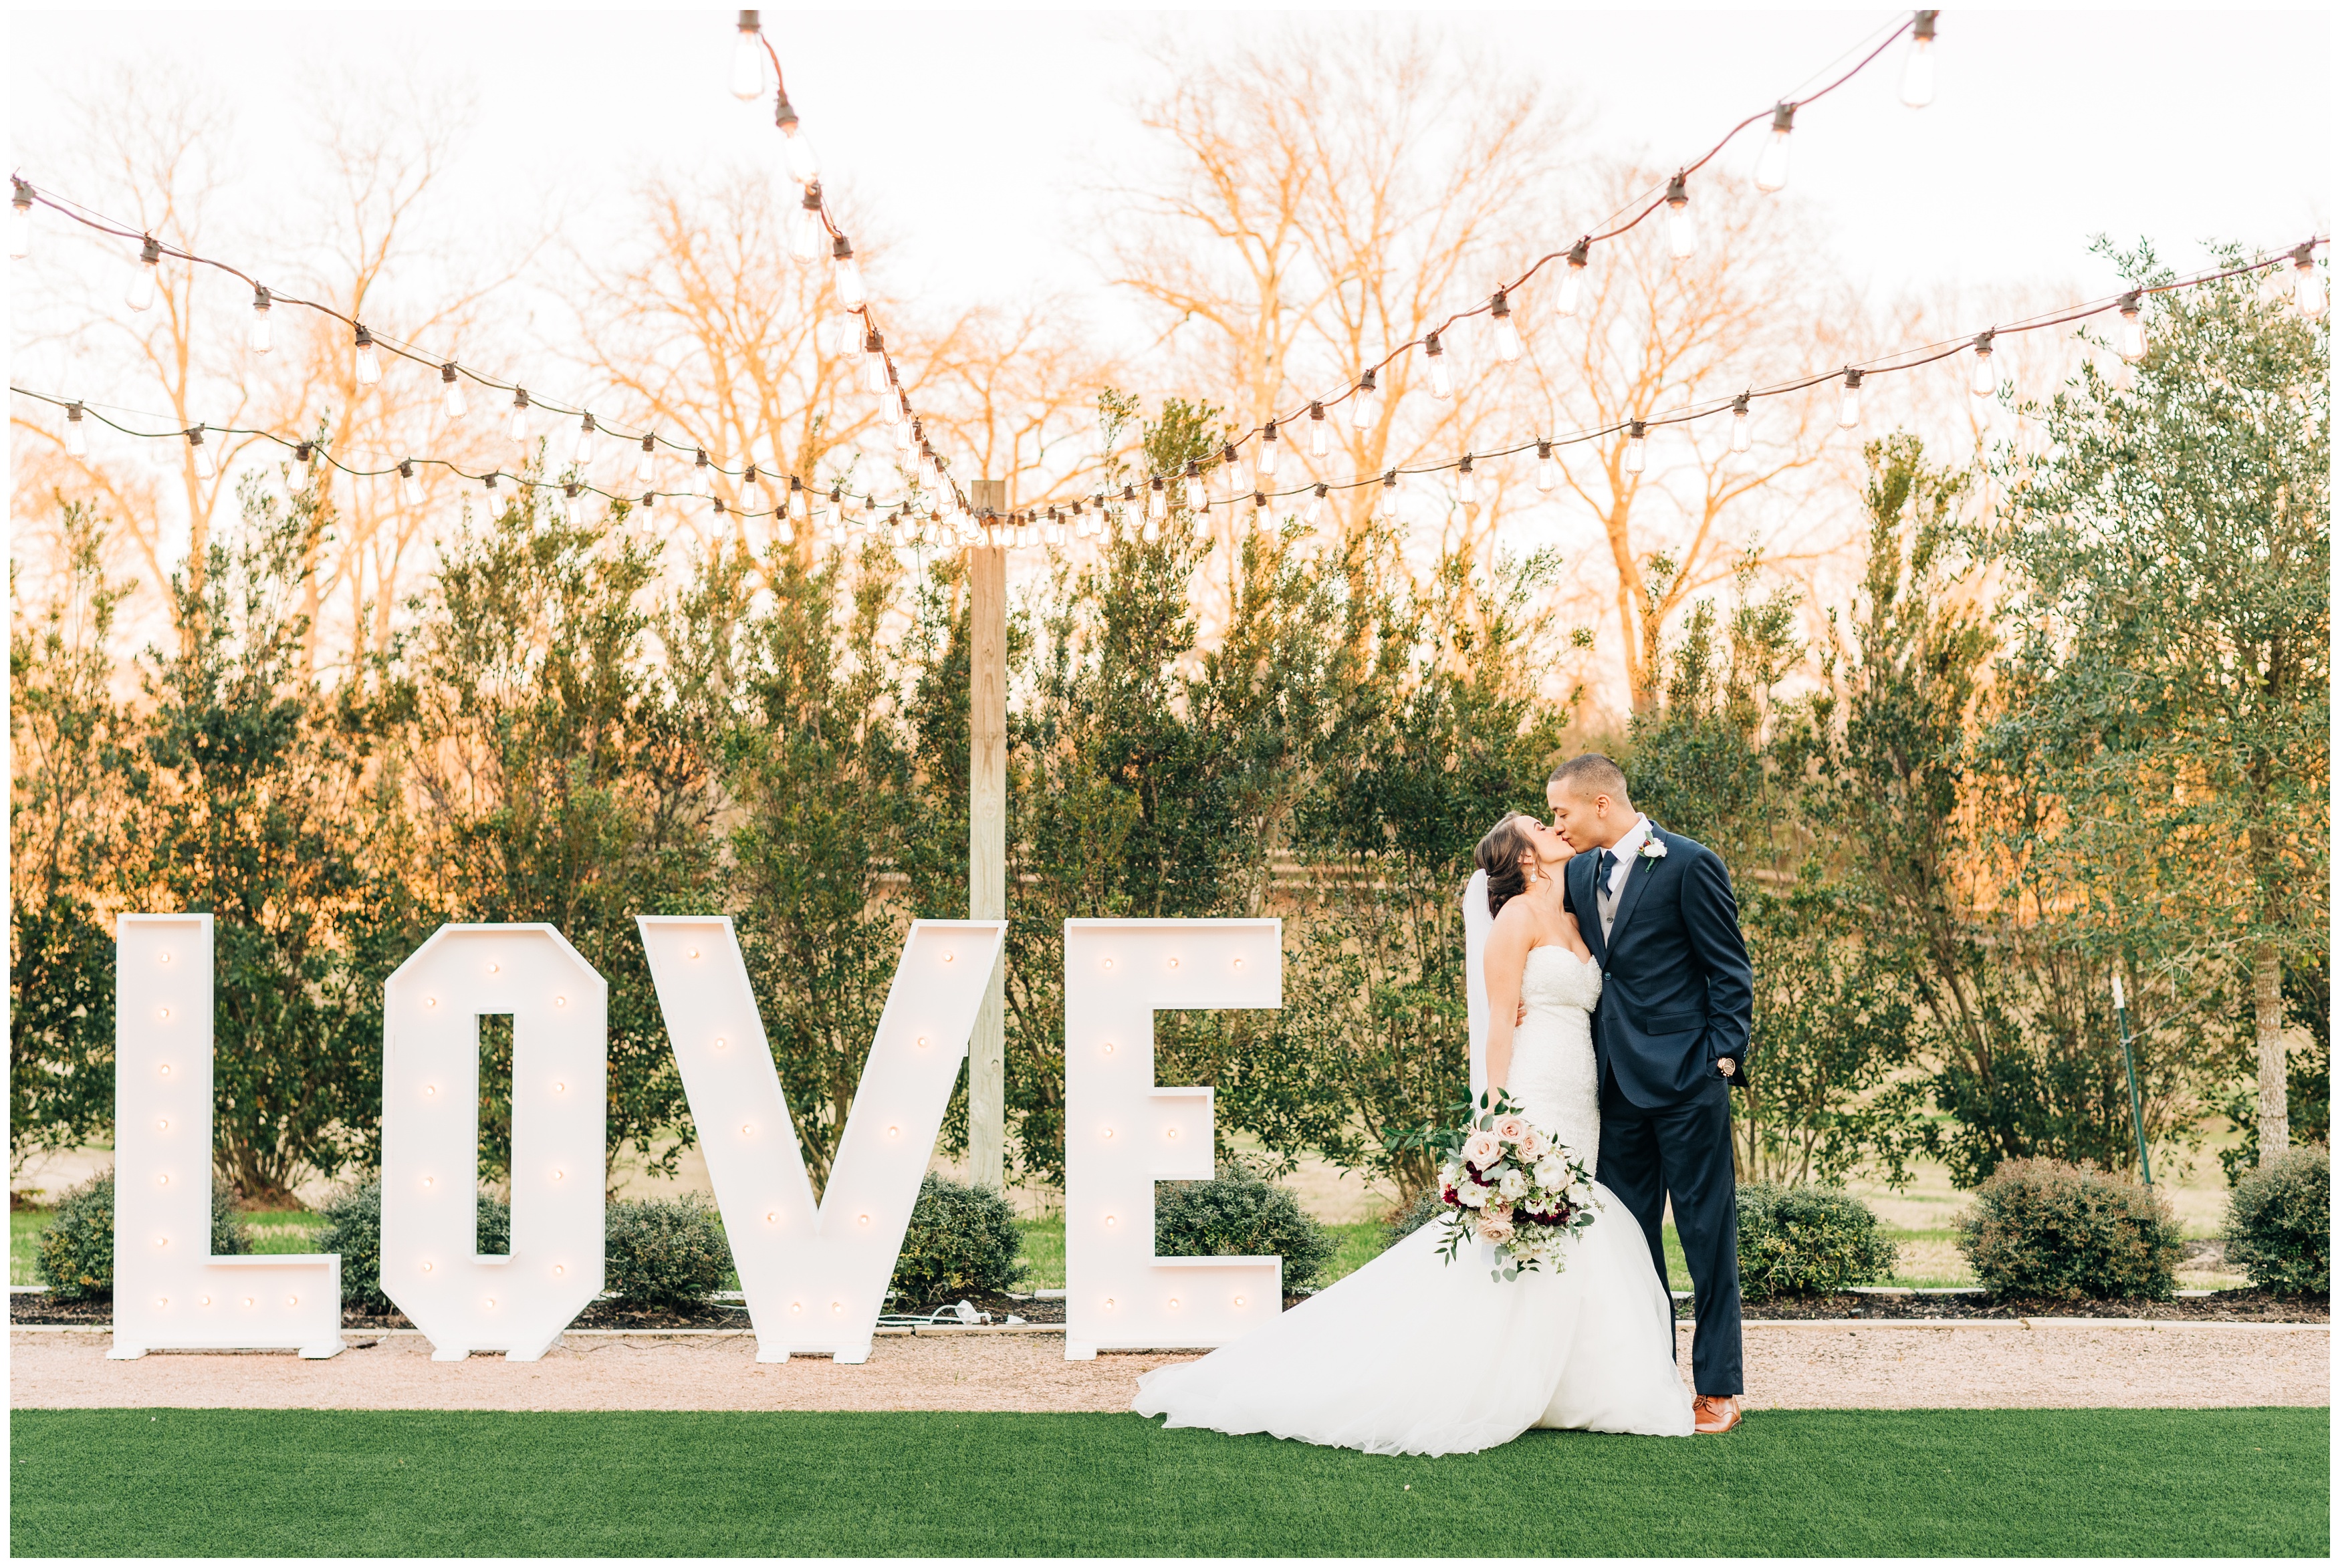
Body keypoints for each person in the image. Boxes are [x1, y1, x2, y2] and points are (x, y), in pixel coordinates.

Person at [1131, 810, 1692, 1455]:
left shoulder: (1575, 920)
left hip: (1582, 1092)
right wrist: (1502, 1117)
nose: (1555, 828)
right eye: (1540, 826)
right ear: (1525, 857)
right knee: (1525, 1226)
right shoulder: (1515, 921)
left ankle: (1569, 1382)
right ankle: (1490, 1376)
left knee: (1568, 1225)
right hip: (1535, 1085)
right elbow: (1498, 1030)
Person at [1545, 752, 1754, 1436]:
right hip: (1614, 1086)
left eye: (1563, 811)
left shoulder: (1690, 863)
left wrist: (1721, 1056)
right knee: (1627, 1242)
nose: (1559, 824)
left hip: (1688, 1081)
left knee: (1705, 1236)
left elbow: (1728, 969)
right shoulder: (1577, 872)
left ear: (1599, 805)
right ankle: (1649, 1377)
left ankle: (1717, 1387)